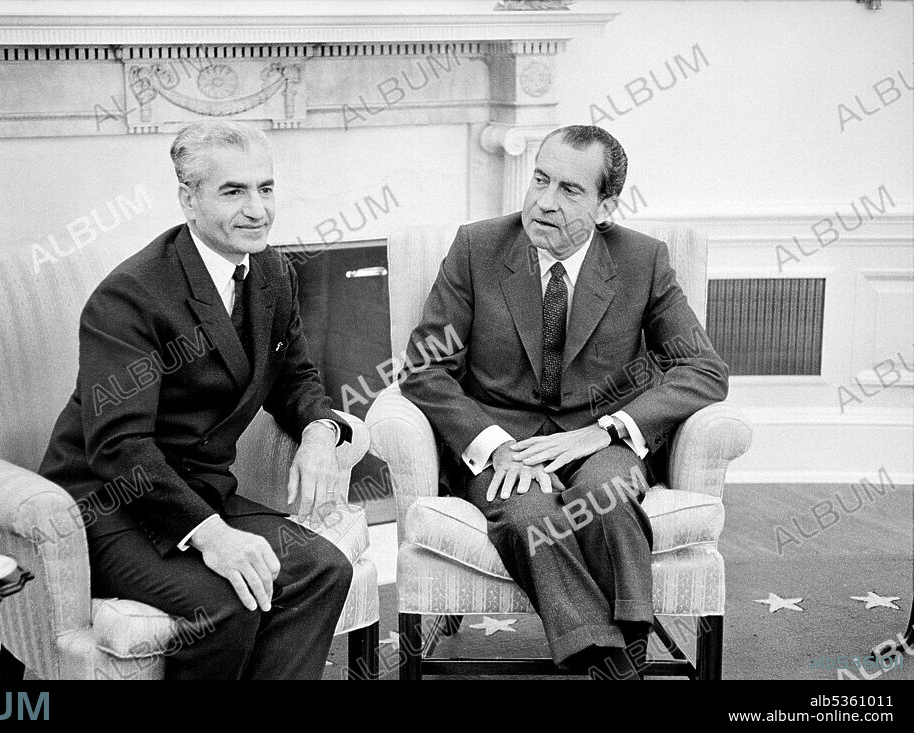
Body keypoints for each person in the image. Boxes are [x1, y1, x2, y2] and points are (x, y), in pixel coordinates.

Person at [399, 125, 729, 679]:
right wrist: (495, 447)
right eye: (540, 179)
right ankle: (613, 663)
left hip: (600, 440)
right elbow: (425, 368)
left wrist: (607, 430)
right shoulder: (478, 248)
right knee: (529, 516)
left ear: (605, 207)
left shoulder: (642, 260)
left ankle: (611, 656)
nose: (544, 202)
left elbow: (703, 368)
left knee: (606, 495)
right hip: (507, 446)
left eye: (569, 190)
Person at [39, 120, 353, 680]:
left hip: (201, 489)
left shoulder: (273, 272)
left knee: (323, 568)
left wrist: (319, 433)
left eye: (265, 188)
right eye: (233, 191)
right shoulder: (130, 295)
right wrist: (213, 537)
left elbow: (295, 379)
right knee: (228, 602)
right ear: (188, 198)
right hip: (111, 506)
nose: (257, 209)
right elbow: (119, 447)